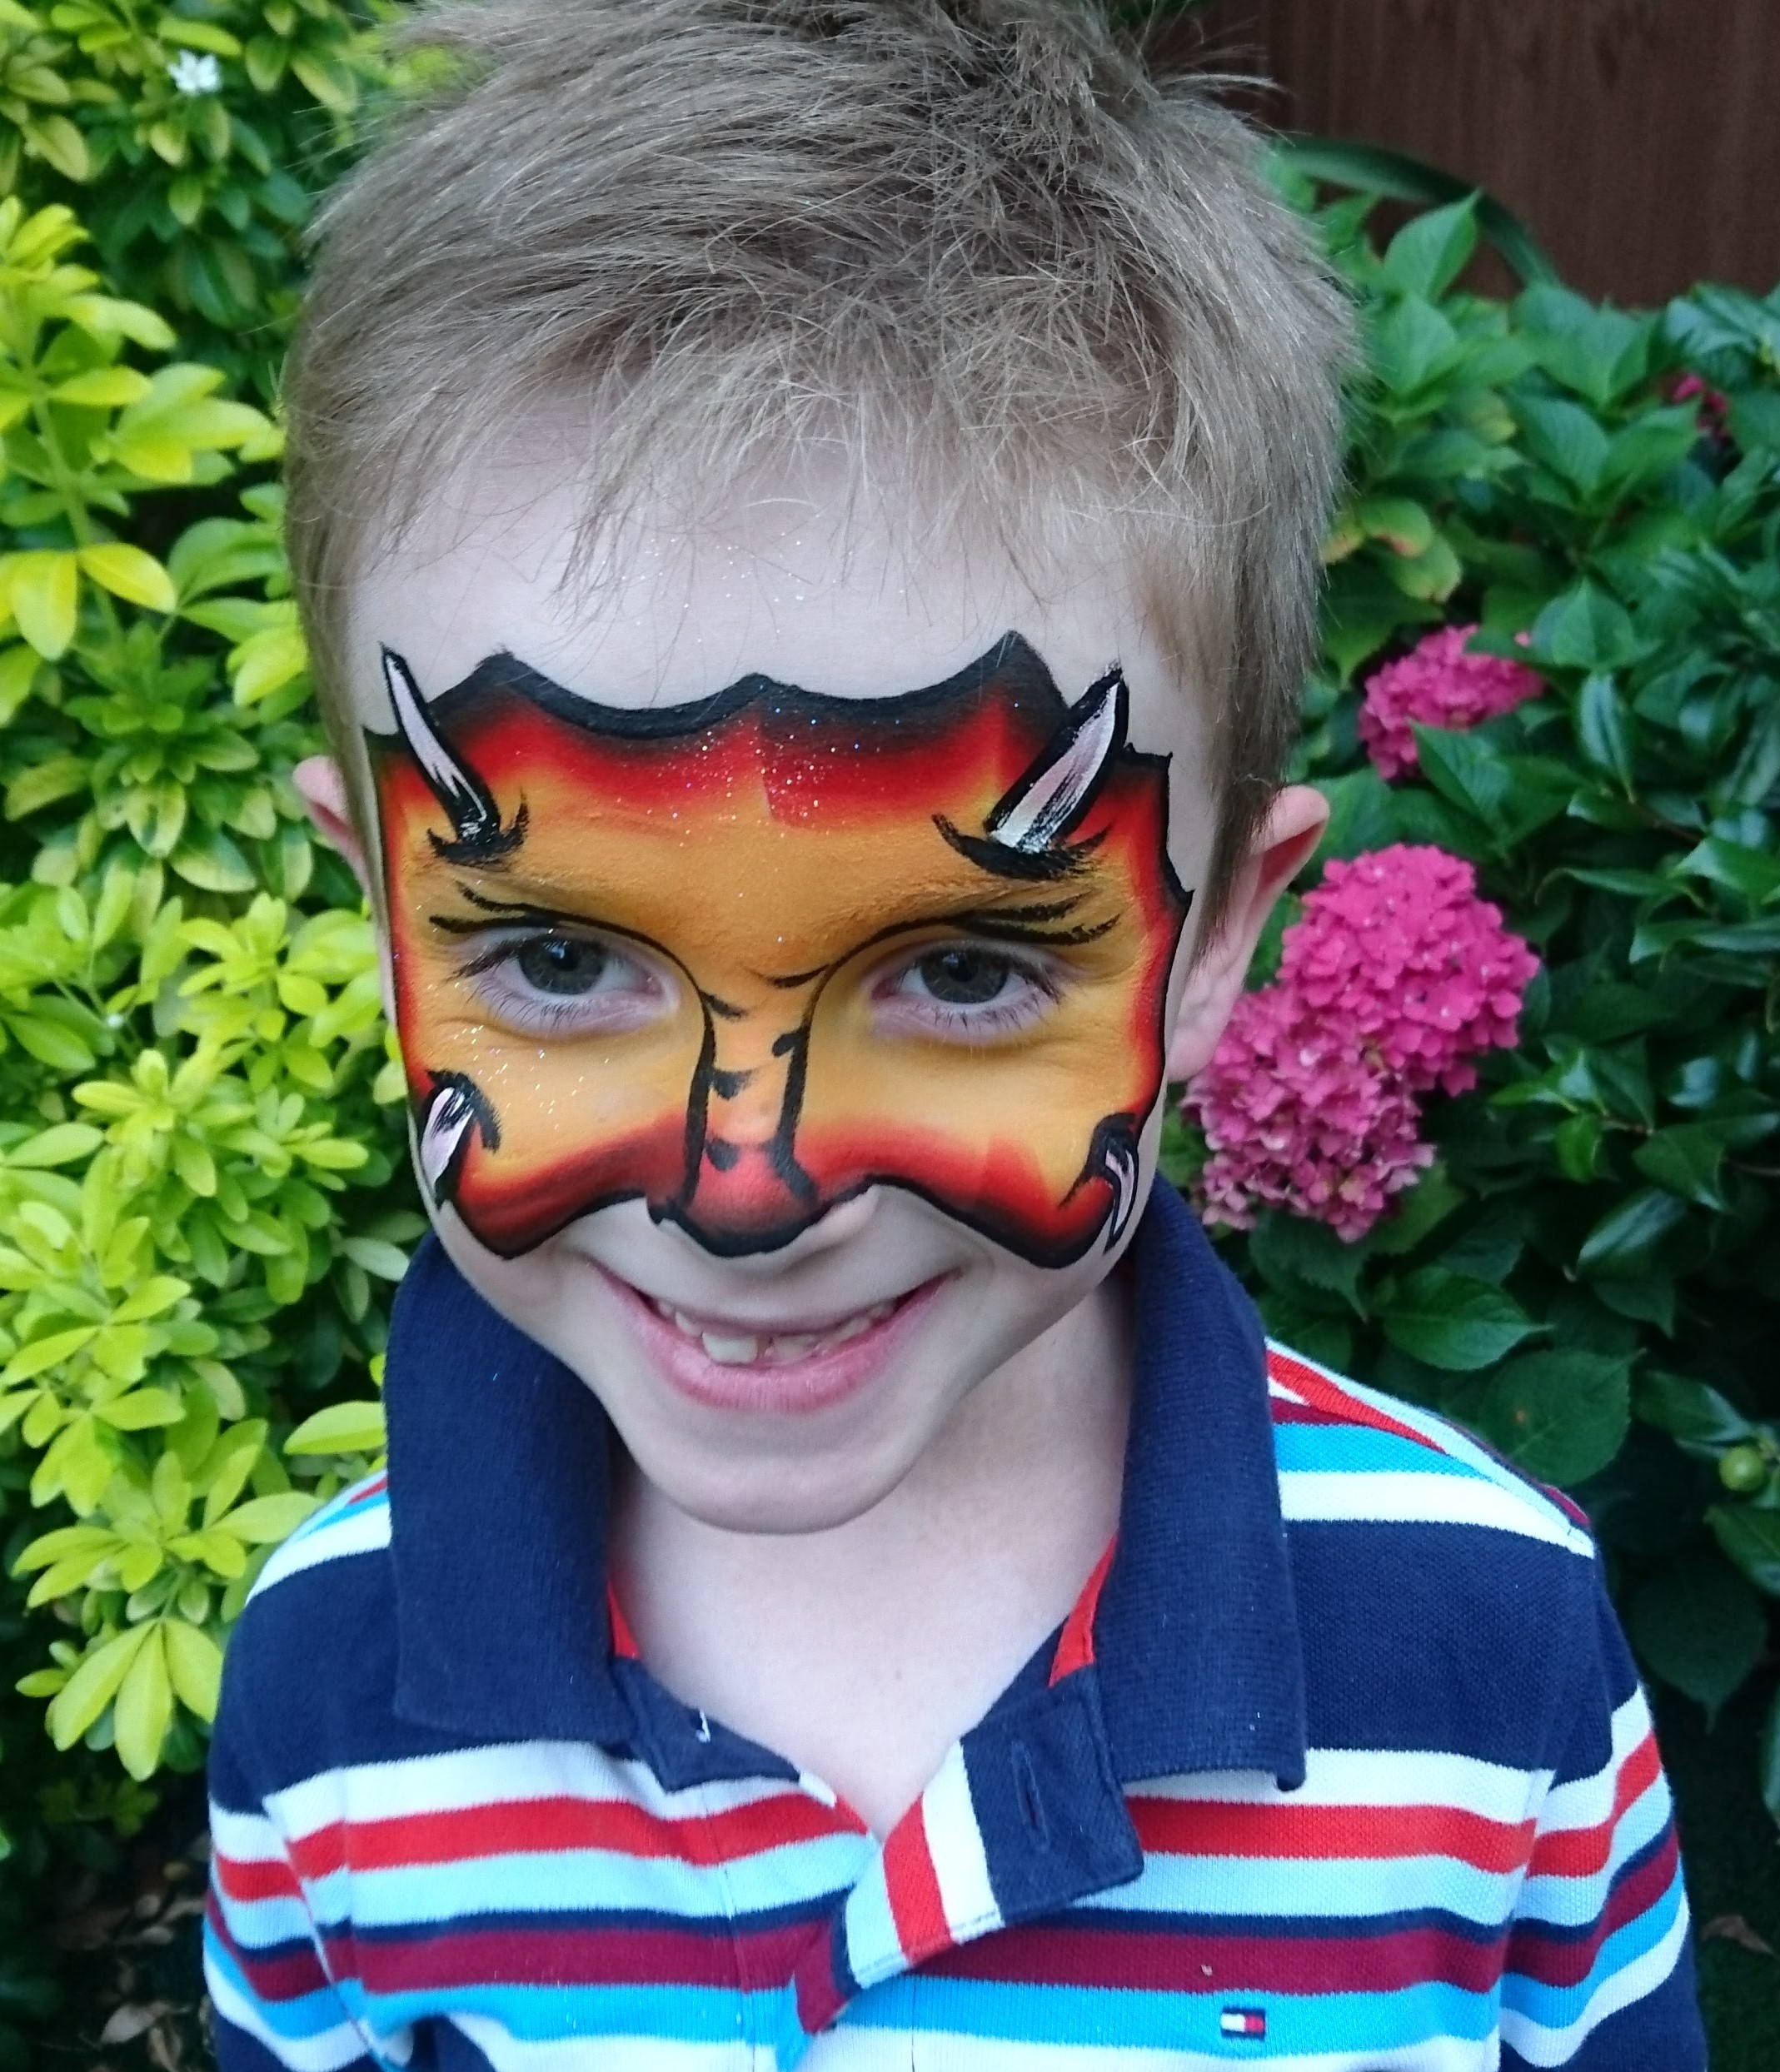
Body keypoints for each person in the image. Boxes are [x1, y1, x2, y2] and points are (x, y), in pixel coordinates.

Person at [202, 2, 1707, 2066]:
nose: (748, 1197)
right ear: (384, 918)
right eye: (556, 957)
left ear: (1215, 937)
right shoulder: (329, 1685)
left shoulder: (1484, 1646)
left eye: (968, 971)